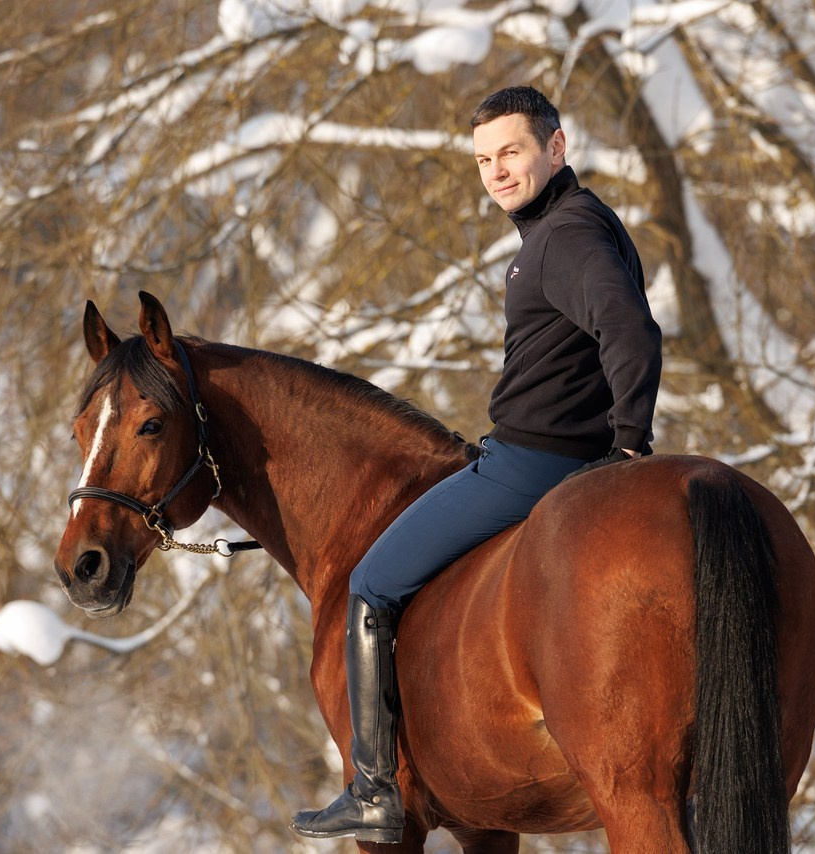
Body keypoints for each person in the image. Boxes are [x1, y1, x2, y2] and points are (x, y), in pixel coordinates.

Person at [290, 86, 662, 844]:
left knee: (369, 582)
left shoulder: (565, 235)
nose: (497, 172)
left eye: (512, 152)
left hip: (532, 468)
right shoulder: (560, 230)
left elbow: (629, 328)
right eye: (485, 160)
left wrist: (630, 446)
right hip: (549, 460)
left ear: (556, 149)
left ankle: (374, 789)